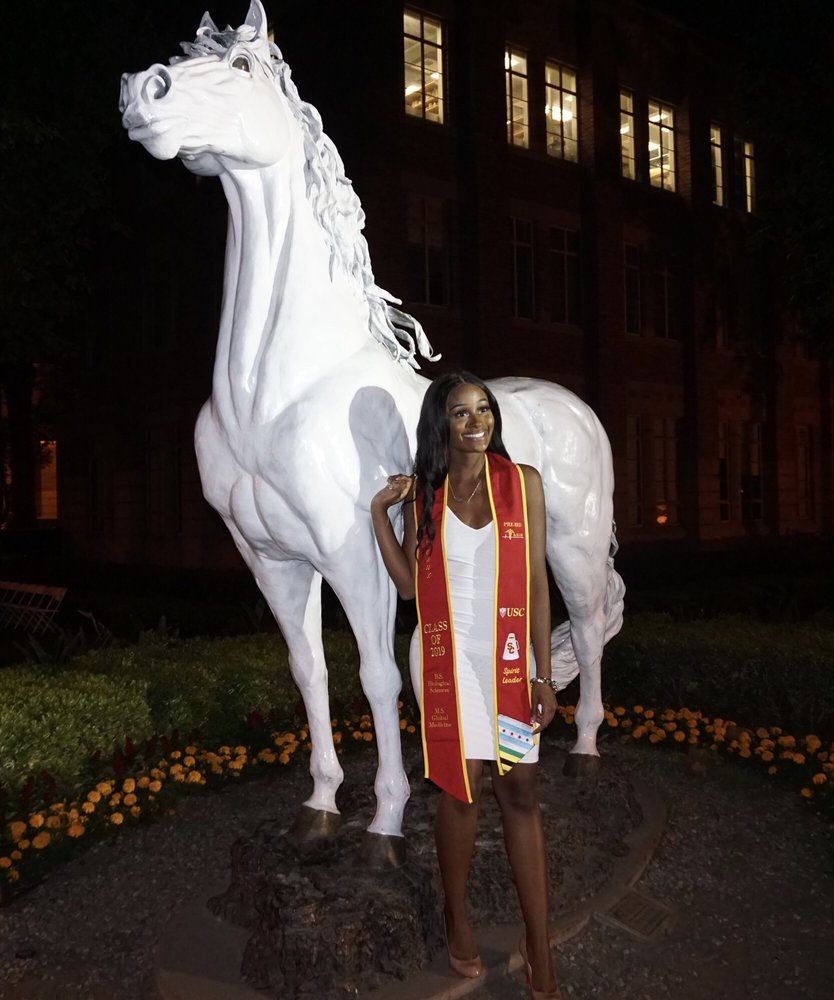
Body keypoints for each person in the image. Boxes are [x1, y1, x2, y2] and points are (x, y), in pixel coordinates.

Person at [371, 372, 562, 1000]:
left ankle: (538, 943)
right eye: (461, 413)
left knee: (522, 791)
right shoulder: (425, 495)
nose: (476, 421)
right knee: (463, 790)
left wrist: (543, 672)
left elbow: (536, 582)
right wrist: (381, 513)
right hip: (446, 660)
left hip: (507, 659)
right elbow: (405, 586)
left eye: (484, 409)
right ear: (442, 424)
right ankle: (458, 916)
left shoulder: (522, 484)